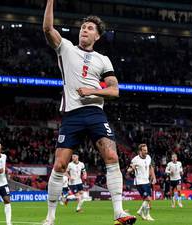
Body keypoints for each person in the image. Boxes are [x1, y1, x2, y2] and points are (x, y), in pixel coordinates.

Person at [42, 0, 135, 224]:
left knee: (112, 156)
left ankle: (119, 213)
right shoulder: (65, 48)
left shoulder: (103, 60)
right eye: (83, 26)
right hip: (72, 114)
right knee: (60, 165)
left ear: (97, 36)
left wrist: (92, 91)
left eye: (90, 28)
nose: (85, 29)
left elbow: (114, 91)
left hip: (95, 112)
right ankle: (50, 217)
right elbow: (47, 28)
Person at [127, 144, 156, 221]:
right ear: (140, 151)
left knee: (147, 200)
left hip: (146, 181)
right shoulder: (135, 160)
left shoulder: (148, 157)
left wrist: (153, 177)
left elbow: (150, 167)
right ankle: (145, 214)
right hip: (139, 182)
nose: (146, 152)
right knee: (148, 199)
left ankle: (142, 213)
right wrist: (132, 169)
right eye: (144, 150)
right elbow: (128, 170)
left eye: (146, 150)